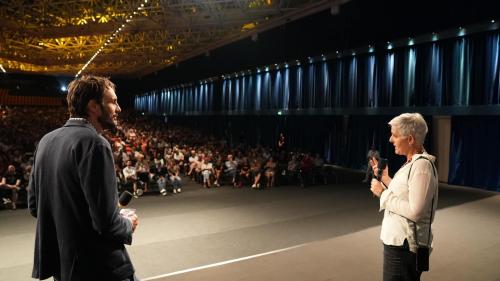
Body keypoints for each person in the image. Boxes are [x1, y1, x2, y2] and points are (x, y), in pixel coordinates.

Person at [28, 75, 139, 281]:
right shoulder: (95, 144)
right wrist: (127, 223)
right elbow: (106, 224)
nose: (119, 108)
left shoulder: (46, 141)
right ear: (93, 106)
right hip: (100, 268)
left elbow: (35, 207)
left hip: (64, 267)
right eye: (113, 102)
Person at [370, 113, 438, 281]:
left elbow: (415, 211)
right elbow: (406, 194)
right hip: (400, 243)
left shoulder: (421, 166)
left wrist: (383, 193)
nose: (390, 140)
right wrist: (385, 178)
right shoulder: (413, 162)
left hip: (404, 247)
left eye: (395, 135)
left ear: (410, 139)